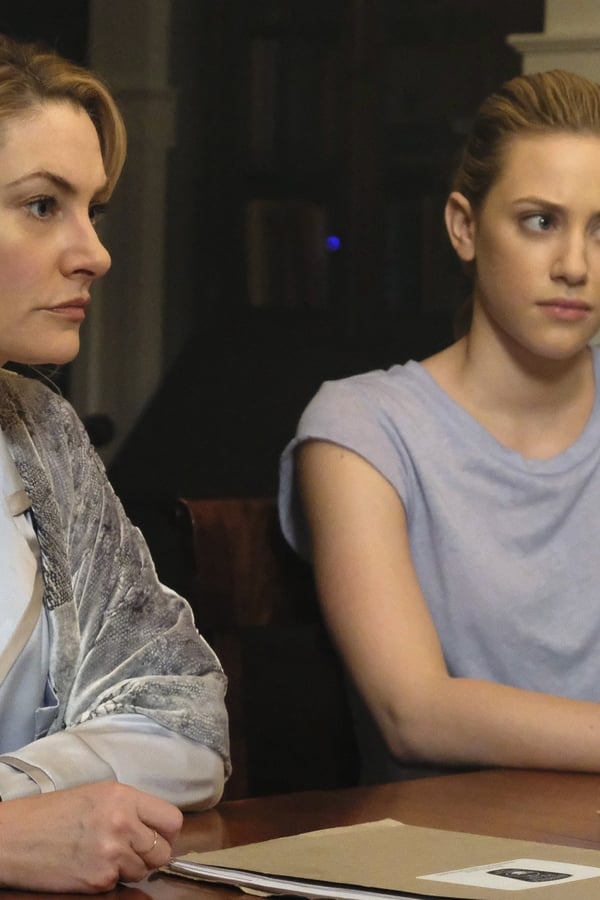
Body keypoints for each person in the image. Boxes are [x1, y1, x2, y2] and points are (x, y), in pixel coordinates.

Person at [279, 68, 600, 786]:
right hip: (446, 843)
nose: (575, 265)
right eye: (540, 221)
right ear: (464, 227)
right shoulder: (363, 427)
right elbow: (414, 712)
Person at [0, 33, 229, 891]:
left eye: (92, 208)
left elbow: (183, 721)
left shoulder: (39, 431)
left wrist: (28, 791)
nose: (94, 252)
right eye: (41, 205)